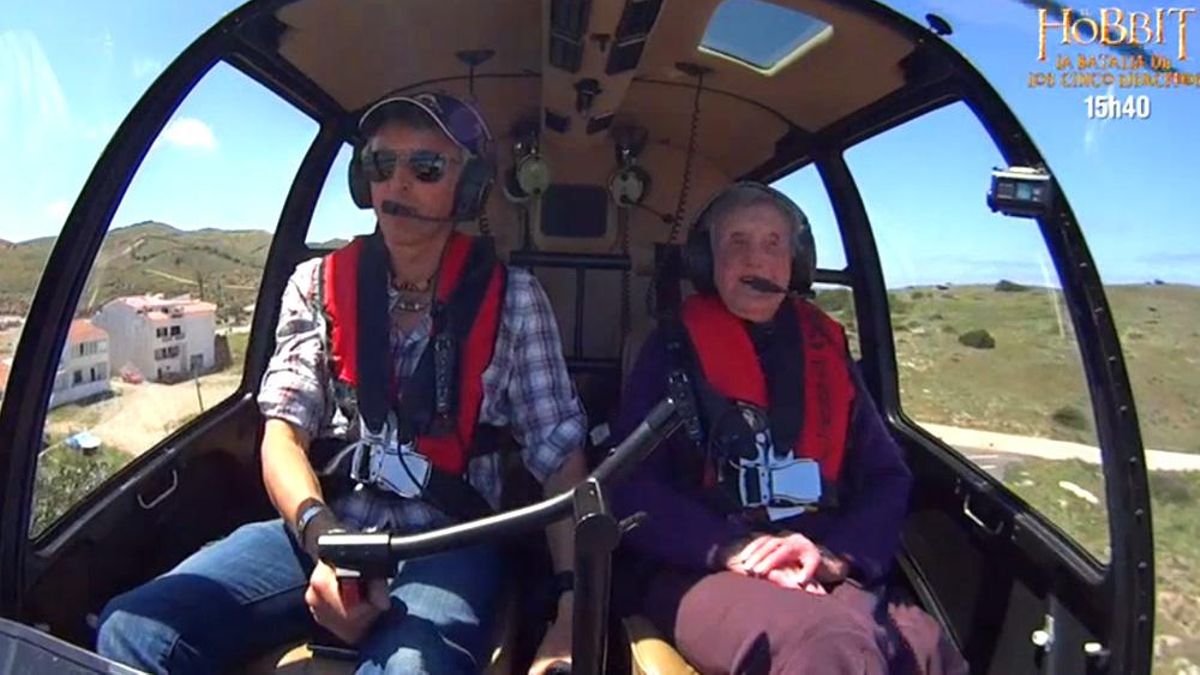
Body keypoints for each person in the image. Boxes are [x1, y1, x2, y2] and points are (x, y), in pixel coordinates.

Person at [95, 91, 588, 675]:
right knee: (132, 629)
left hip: (450, 543)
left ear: (470, 187)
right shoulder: (315, 285)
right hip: (327, 527)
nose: (397, 183)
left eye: (425, 167)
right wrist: (322, 536)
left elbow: (560, 459)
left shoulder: (516, 300)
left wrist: (570, 605)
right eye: (380, 164)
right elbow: (283, 435)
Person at [609, 182, 967, 674]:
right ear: (706, 261)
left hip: (817, 551)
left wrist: (837, 556)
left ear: (794, 263)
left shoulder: (828, 349)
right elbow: (629, 485)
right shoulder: (669, 349)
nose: (756, 258)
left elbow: (887, 475)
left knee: (924, 646)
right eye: (737, 241)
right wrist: (731, 549)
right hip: (699, 565)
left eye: (773, 243)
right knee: (828, 645)